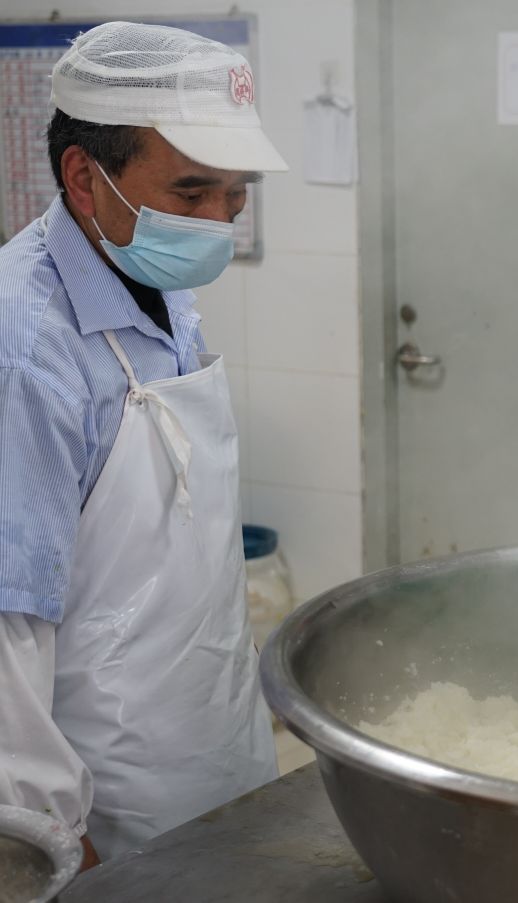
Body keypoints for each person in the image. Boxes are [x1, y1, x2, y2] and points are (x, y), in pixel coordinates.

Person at [0, 22, 289, 865]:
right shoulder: (25, 350)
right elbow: (9, 632)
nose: (218, 222)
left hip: (216, 748)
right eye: (192, 193)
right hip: (110, 809)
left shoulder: (151, 276)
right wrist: (52, 839)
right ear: (84, 179)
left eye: (236, 196)